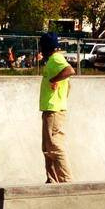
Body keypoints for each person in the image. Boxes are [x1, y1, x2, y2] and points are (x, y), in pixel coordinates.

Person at [38, 32, 74, 183]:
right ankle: (52, 180)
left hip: (53, 110)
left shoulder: (55, 58)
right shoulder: (53, 60)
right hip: (53, 109)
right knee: (47, 148)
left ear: (47, 48)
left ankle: (66, 181)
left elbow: (70, 71)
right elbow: (69, 85)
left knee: (54, 146)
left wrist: (54, 79)